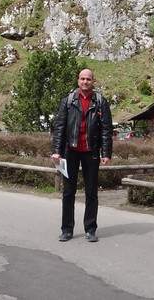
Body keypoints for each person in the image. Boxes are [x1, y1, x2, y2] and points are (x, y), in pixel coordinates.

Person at [51, 68, 113, 243]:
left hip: (91, 152)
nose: (85, 81)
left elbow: (106, 129)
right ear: (78, 81)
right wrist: (56, 150)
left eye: (88, 79)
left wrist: (106, 152)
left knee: (91, 192)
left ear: (93, 81)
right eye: (82, 78)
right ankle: (67, 229)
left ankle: (90, 229)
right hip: (70, 152)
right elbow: (60, 127)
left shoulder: (100, 101)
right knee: (68, 192)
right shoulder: (68, 101)